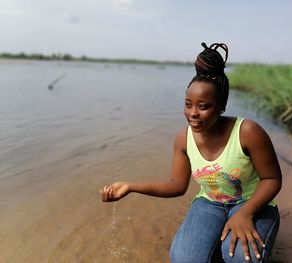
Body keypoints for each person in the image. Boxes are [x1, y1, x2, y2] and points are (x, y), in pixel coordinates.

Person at [101, 42, 282, 263]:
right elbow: (177, 185)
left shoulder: (247, 132)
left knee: (241, 258)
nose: (193, 113)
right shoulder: (183, 139)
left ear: (222, 106)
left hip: (252, 203)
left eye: (203, 106)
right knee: (183, 259)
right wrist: (130, 186)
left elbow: (272, 179)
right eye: (188, 104)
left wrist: (246, 213)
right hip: (210, 204)